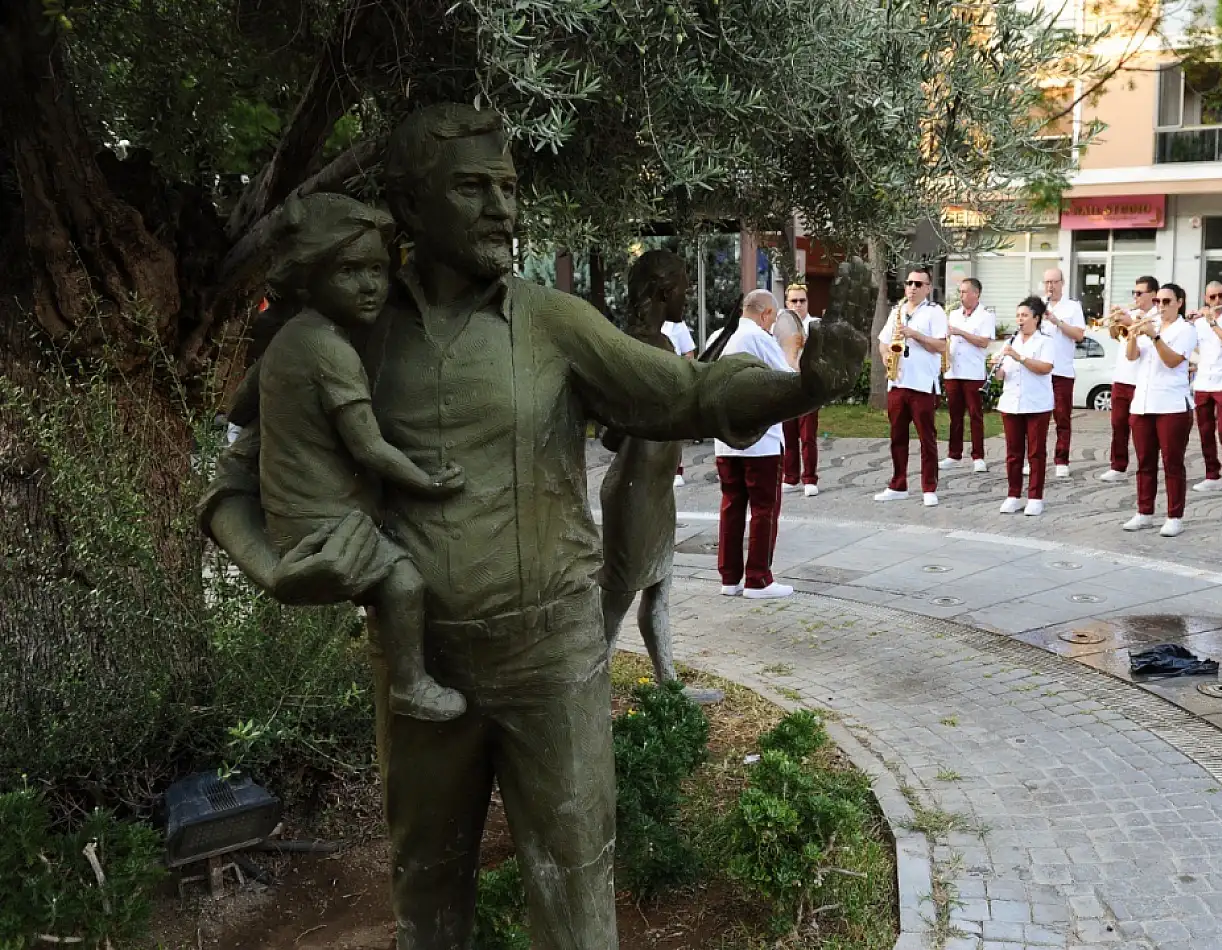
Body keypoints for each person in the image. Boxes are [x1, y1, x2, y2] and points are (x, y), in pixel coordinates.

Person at [198, 103, 866, 949]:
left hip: (553, 662)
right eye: (471, 189)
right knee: (428, 902)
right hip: (420, 672)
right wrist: (273, 569)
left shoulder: (553, 322)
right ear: (411, 205)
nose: (501, 209)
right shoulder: (344, 331)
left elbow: (687, 395)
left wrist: (800, 388)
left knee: (577, 899)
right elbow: (231, 485)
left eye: (507, 189)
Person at [248, 193, 467, 723]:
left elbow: (240, 407)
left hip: (292, 516)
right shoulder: (331, 350)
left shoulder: (290, 338)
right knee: (404, 582)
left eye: (377, 269)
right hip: (321, 524)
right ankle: (410, 685)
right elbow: (368, 445)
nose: (370, 284)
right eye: (349, 270)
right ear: (310, 275)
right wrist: (427, 482)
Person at [599, 249, 689, 688]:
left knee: (659, 598)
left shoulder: (663, 345)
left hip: (656, 489)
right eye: (684, 290)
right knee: (614, 604)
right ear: (663, 291)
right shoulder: (635, 347)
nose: (687, 299)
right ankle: (587, 690)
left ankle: (668, 685)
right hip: (633, 492)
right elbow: (612, 432)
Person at [718, 290, 796, 598]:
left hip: (725, 441)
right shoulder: (759, 339)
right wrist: (790, 349)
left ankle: (729, 578)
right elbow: (789, 380)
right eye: (773, 319)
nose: (773, 325)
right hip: (759, 441)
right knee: (764, 508)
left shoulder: (723, 337)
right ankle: (758, 578)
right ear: (764, 314)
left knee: (731, 506)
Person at [1122, 283, 1199, 538]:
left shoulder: (1186, 330)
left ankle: (1175, 516)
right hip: (1143, 403)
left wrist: (1154, 336)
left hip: (1172, 405)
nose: (1161, 306)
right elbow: (1131, 357)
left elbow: (1173, 361)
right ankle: (1144, 512)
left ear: (1179, 302)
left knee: (1172, 463)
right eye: (1158, 301)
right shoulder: (1149, 323)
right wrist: (1133, 333)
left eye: (1167, 301)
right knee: (1144, 462)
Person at [875, 265, 949, 506]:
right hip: (898, 381)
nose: (912, 288)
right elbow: (882, 342)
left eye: (918, 284)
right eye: (909, 283)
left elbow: (940, 346)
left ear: (927, 288)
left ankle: (929, 487)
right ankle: (898, 484)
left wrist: (915, 334)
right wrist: (886, 356)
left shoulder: (934, 312)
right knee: (897, 436)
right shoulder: (897, 310)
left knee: (926, 437)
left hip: (922, 384)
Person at [994, 296, 1056, 515]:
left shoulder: (1045, 341)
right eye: (1018, 315)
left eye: (1025, 315)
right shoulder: (1010, 342)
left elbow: (1045, 367)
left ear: (1036, 319)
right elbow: (1001, 376)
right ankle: (1013, 495)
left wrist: (1019, 358)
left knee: (1036, 453)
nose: (1020, 320)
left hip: (1037, 403)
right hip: (1011, 403)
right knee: (1013, 452)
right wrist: (996, 368)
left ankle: (1035, 497)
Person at [1099, 276, 1157, 483]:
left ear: (1153, 295)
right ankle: (1118, 465)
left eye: (1140, 293)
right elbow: (1115, 335)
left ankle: (1146, 466)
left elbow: (1152, 334)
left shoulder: (1156, 316)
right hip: (1122, 376)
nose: (1136, 297)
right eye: (1135, 293)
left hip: (1142, 379)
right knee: (1118, 424)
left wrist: (1130, 321)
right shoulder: (1130, 313)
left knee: (1142, 429)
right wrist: (1114, 318)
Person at [1189, 280, 1222, 496]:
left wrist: (1212, 322)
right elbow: (1193, 348)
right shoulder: (1199, 322)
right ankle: (1212, 474)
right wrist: (1189, 322)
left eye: (1220, 296)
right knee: (1204, 430)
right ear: (1205, 299)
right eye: (1212, 297)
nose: (1217, 301)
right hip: (1203, 381)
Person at [941, 277, 996, 474]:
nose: (961, 296)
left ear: (976, 293)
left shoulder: (986, 316)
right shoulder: (954, 314)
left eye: (965, 292)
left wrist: (960, 332)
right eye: (960, 292)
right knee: (955, 415)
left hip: (973, 372)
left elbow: (983, 342)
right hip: (953, 371)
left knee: (975, 415)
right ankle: (953, 454)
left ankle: (978, 456)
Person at [1040, 267, 1087, 478]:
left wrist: (1056, 321)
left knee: (1062, 417)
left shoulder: (1073, 307)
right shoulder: (1038, 305)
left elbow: (1078, 335)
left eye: (1054, 282)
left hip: (1062, 370)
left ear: (1062, 283)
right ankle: (1035, 459)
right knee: (1036, 418)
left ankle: (1061, 459)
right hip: (1040, 369)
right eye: (1047, 282)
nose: (1050, 286)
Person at [780, 283, 824, 496]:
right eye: (794, 301)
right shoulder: (779, 325)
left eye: (802, 300)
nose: (798, 305)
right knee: (788, 435)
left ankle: (810, 478)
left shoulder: (816, 325)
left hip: (808, 387)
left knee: (808, 436)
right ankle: (790, 476)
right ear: (787, 303)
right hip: (786, 384)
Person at [661, 307, 697, 487]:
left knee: (673, 427)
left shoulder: (675, 323)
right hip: (648, 377)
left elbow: (688, 352)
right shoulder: (641, 321)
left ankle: (676, 469)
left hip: (672, 378)